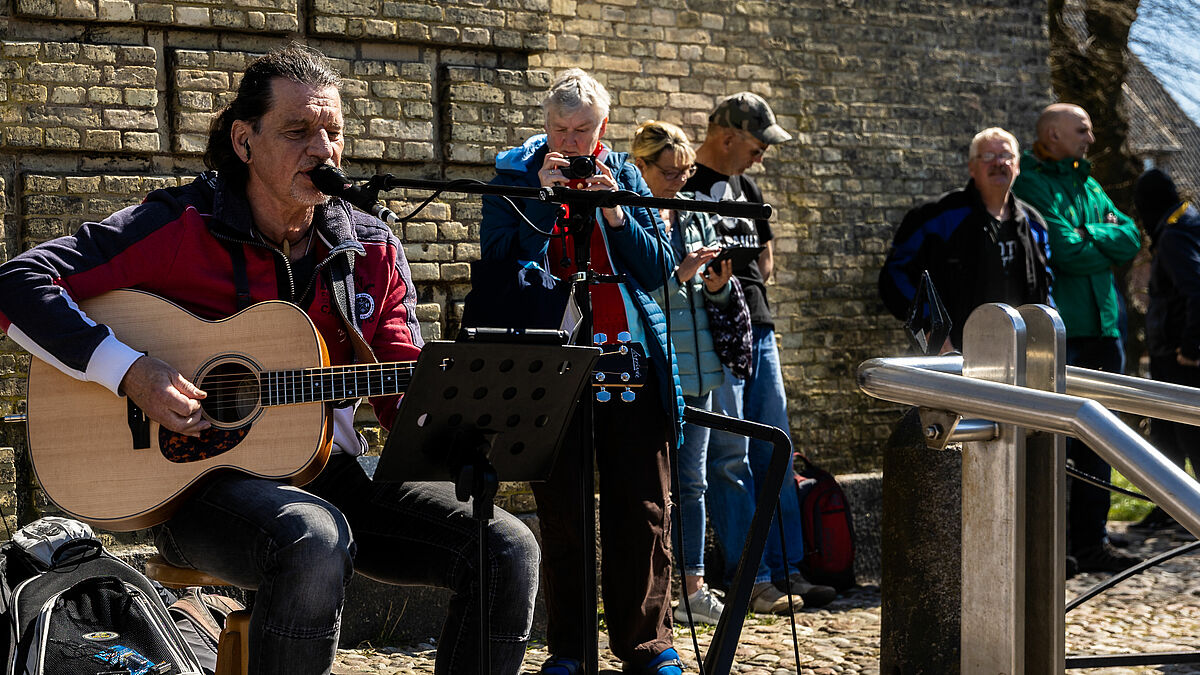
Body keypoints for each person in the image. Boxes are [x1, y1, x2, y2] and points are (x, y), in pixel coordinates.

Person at [0, 44, 539, 675]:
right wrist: (132, 372)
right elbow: (18, 283)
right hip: (195, 486)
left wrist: (458, 415)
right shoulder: (180, 225)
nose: (322, 149)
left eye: (333, 133)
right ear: (244, 141)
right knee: (312, 536)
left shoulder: (367, 246)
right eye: (297, 131)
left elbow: (400, 385)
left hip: (331, 471)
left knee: (504, 547)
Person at [479, 70, 686, 675]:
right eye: (560, 130)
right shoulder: (513, 177)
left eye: (583, 130)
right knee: (564, 511)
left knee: (644, 508)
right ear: (545, 126)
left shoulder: (622, 175)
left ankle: (647, 646)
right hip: (551, 360)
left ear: (604, 127)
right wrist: (539, 209)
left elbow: (657, 271)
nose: (570, 143)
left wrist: (618, 217)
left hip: (629, 360)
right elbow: (498, 265)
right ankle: (570, 649)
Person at [683, 92, 836, 612]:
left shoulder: (747, 187)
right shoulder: (690, 187)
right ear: (727, 137)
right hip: (715, 335)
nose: (761, 155)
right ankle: (757, 578)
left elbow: (765, 259)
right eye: (756, 144)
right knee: (730, 458)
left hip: (760, 330)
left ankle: (790, 569)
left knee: (776, 448)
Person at [1012, 103, 1143, 573]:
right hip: (1063, 333)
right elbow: (1064, 252)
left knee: (1100, 442)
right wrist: (1097, 238)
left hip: (1105, 328)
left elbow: (1130, 237)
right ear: (1052, 133)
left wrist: (1092, 233)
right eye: (1082, 129)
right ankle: (1054, 545)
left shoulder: (1088, 182)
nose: (1090, 137)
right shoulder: (1030, 183)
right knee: (1054, 444)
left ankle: (1092, 541)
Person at [629, 120, 736, 626]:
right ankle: (657, 589)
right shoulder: (633, 216)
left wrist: (716, 285)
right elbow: (641, 297)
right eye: (669, 173)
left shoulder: (695, 214)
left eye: (686, 171)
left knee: (692, 484)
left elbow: (710, 300)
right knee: (654, 486)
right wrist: (681, 276)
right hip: (656, 370)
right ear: (642, 166)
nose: (679, 181)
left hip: (701, 373)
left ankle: (694, 584)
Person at [879, 127, 1053, 352]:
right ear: (972, 167)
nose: (998, 162)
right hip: (951, 354)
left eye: (1006, 156)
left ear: (1018, 166)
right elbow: (894, 276)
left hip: (1016, 353)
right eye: (988, 156)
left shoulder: (1034, 223)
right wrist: (932, 328)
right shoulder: (936, 217)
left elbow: (1045, 285)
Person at [1132, 168, 1200, 532]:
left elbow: (1195, 289)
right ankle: (1171, 509)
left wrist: (1191, 347)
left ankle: (1187, 512)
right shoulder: (1187, 222)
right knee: (1166, 433)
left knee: (1188, 435)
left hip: (1179, 355)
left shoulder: (1174, 235)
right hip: (1174, 349)